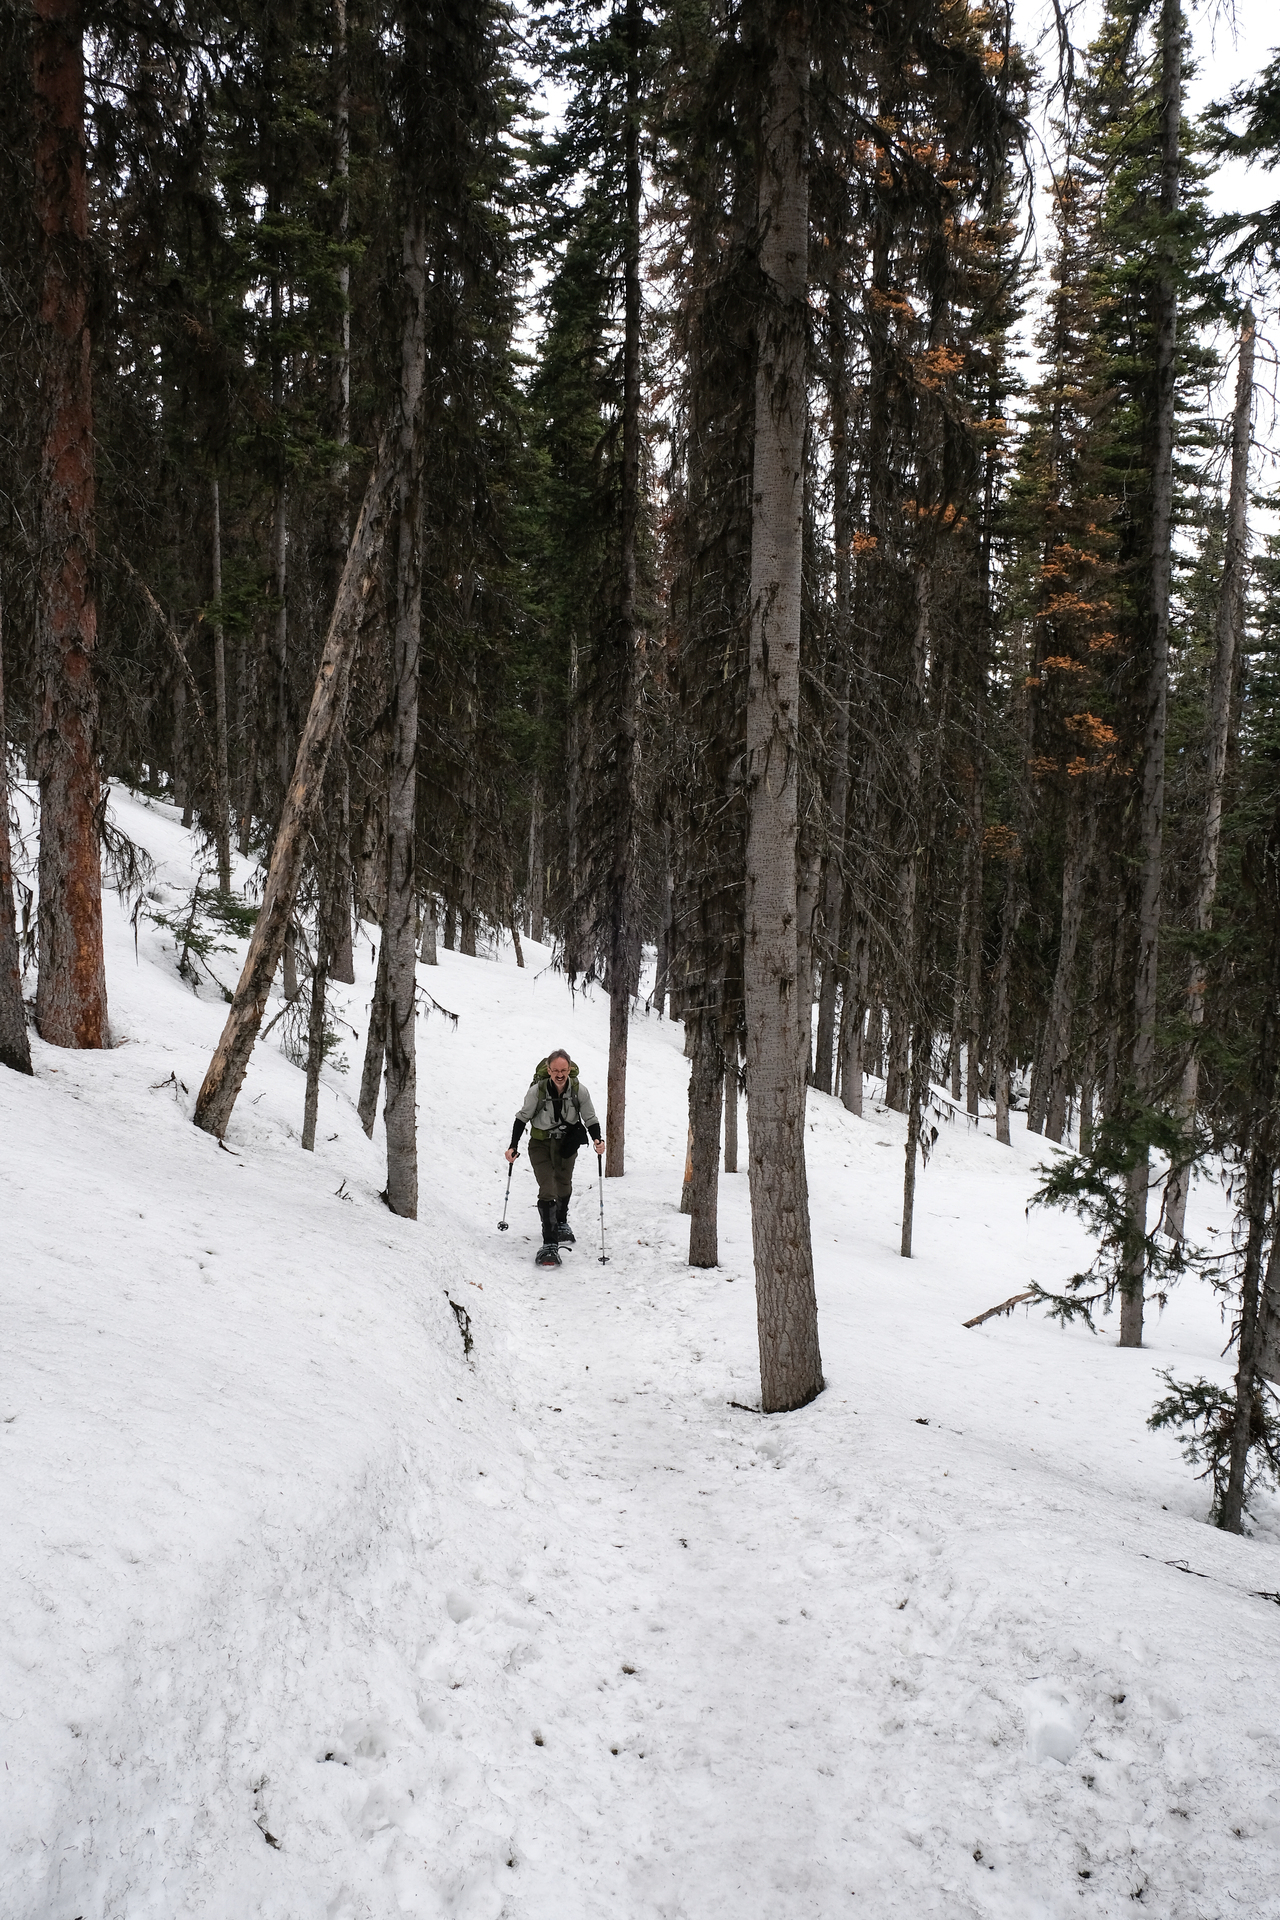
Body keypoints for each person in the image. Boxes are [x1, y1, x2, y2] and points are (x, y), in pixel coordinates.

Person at [506, 1049, 604, 1265]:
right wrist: (513, 1146)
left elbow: (590, 1118)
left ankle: (561, 1222)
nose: (560, 1074)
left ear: (569, 1070)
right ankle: (549, 1243)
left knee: (564, 1183)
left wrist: (598, 1139)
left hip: (566, 1144)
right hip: (540, 1144)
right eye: (555, 1070)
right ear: (549, 1070)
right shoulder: (537, 1091)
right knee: (548, 1187)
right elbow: (522, 1118)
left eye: (564, 1070)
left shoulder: (579, 1090)